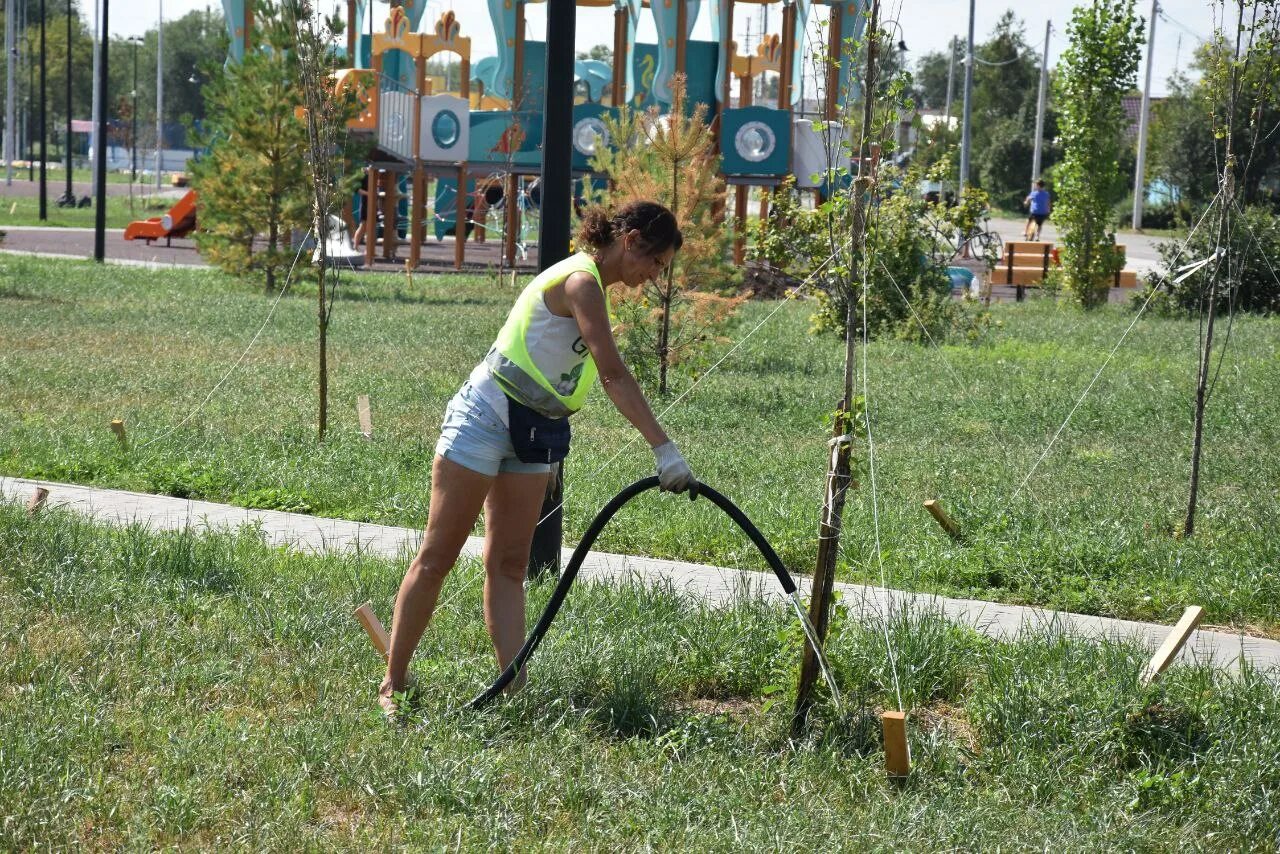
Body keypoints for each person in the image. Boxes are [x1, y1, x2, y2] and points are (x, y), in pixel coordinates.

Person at [378, 200, 696, 719]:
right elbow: (612, 373)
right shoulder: (581, 281)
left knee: (509, 563)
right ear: (632, 239)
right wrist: (663, 447)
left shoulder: (598, 286)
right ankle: (392, 684)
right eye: (655, 263)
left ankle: (513, 692)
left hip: (537, 431)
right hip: (485, 418)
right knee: (438, 556)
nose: (654, 277)